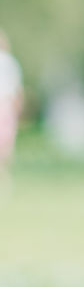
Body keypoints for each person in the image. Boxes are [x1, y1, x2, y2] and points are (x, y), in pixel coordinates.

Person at [0, 30, 23, 198]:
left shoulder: (9, 63)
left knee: (5, 145)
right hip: (6, 106)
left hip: (5, 106)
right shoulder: (10, 63)